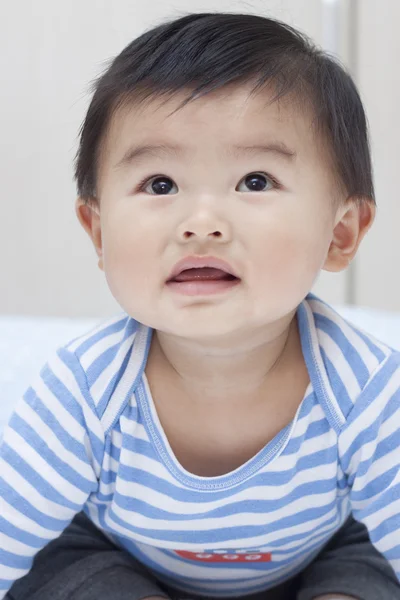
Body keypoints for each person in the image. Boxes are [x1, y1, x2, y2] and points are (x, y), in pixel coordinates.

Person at [1, 11, 399, 600]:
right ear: (100, 232)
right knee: (74, 576)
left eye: (255, 181)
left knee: (360, 575)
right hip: (122, 558)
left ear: (340, 233)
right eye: (160, 184)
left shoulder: (366, 390)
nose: (202, 224)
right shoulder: (83, 392)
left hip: (314, 556)